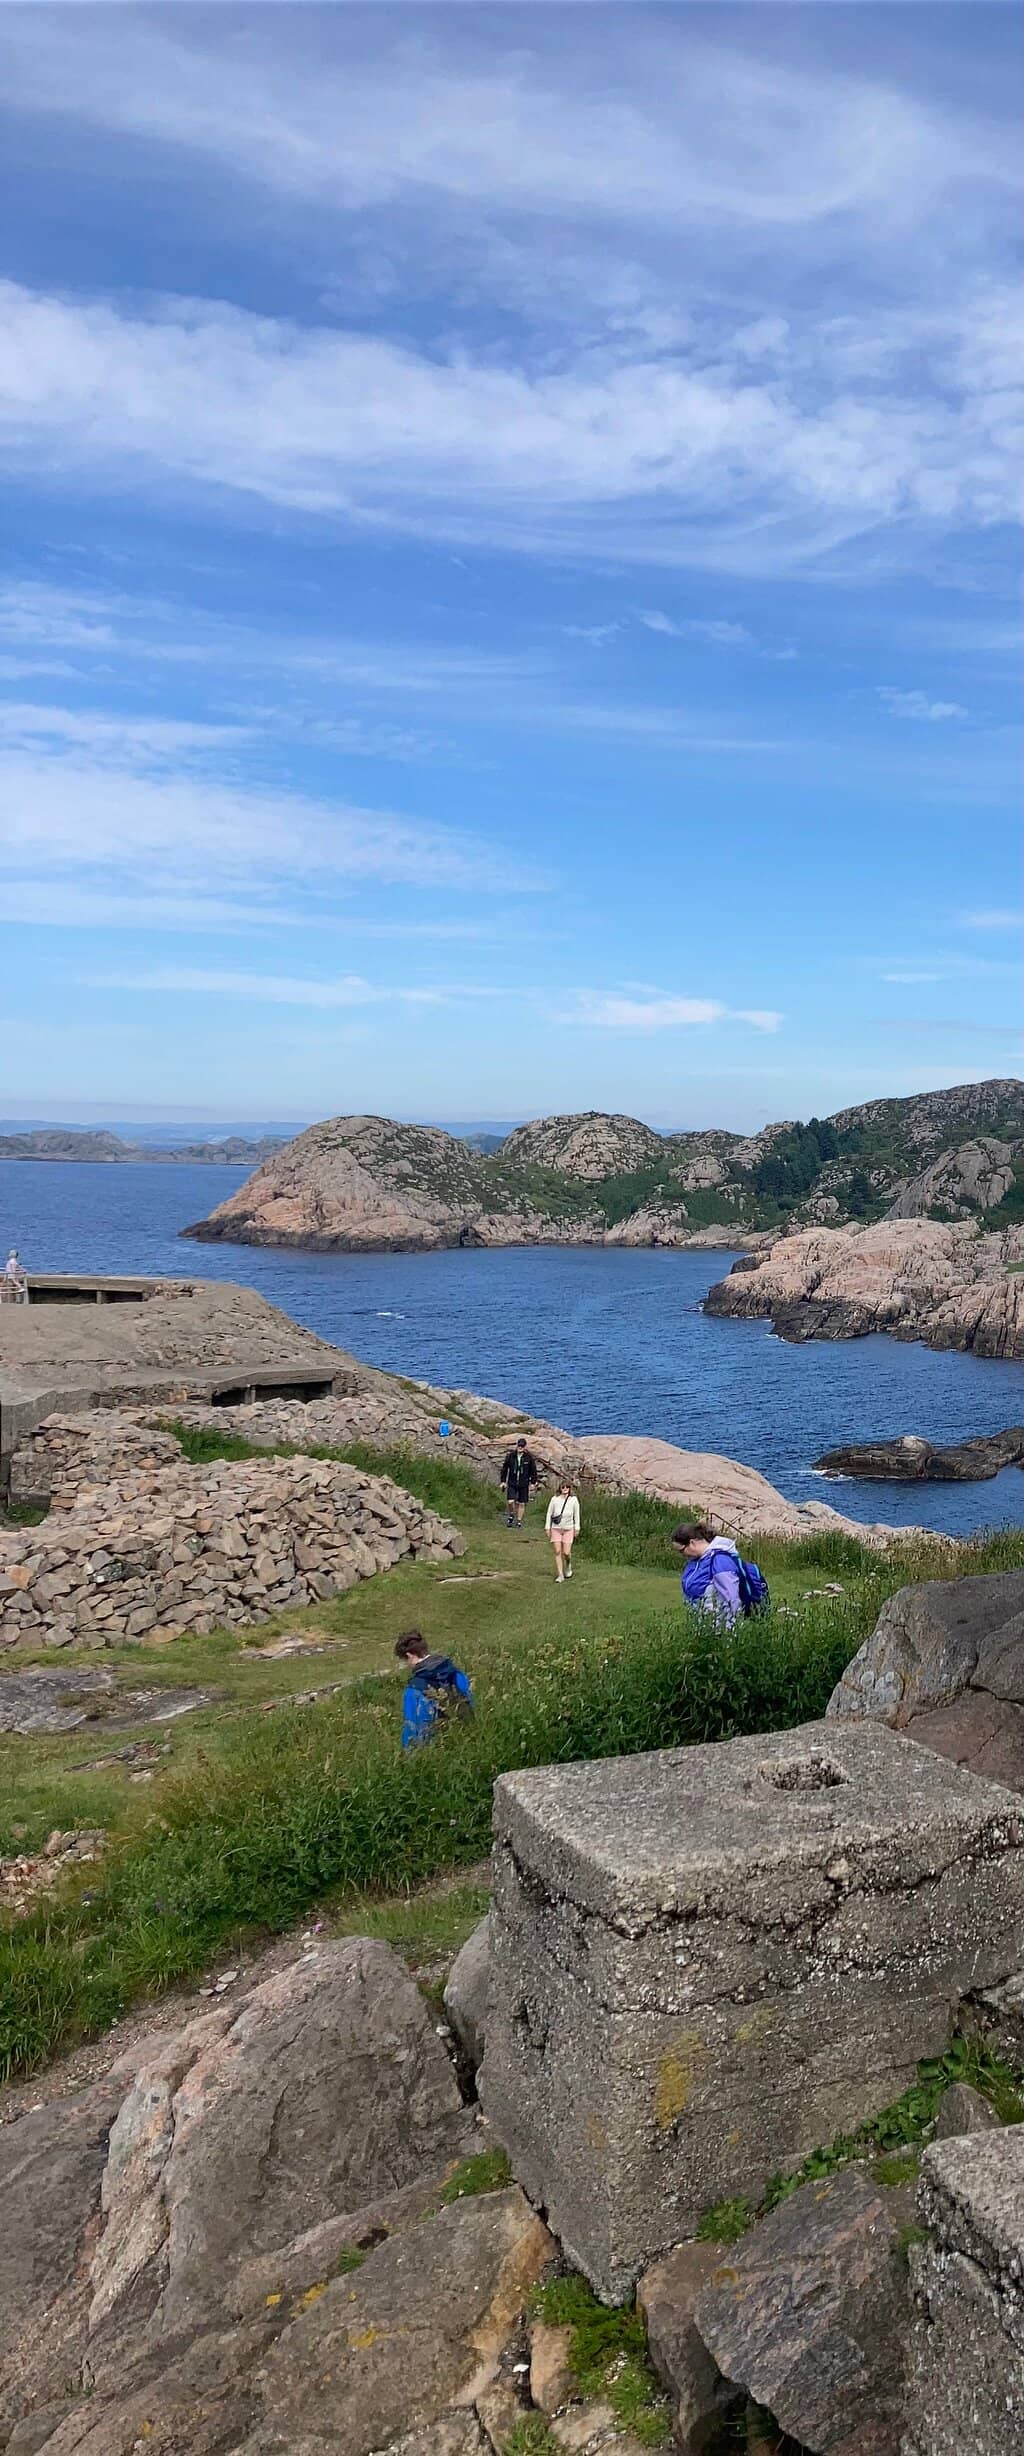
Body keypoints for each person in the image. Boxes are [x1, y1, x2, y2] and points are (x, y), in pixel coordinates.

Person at [396, 1628, 474, 1748]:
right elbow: (469, 1702)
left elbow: (412, 1726)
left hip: (435, 1748)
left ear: (409, 1655)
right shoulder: (455, 1672)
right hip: (464, 1739)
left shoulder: (414, 1688)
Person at [672, 1522, 745, 1628]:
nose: (682, 1555)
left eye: (682, 1551)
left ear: (692, 1543)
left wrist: (735, 1628)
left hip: (721, 1628)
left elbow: (732, 1596)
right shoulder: (697, 1561)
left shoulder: (720, 1560)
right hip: (704, 1626)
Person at [500, 1433, 538, 1528]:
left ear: (525, 1447)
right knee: (510, 1501)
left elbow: (533, 1470)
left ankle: (519, 1521)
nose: (520, 1447)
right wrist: (503, 1481)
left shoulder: (529, 1458)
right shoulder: (511, 1456)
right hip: (512, 1482)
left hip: (523, 1483)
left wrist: (533, 1482)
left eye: (522, 1446)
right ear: (517, 1446)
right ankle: (512, 1514)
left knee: (522, 1503)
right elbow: (505, 1469)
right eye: (519, 1445)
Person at [545, 1480, 581, 1582]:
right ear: (560, 1488)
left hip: (569, 1528)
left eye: (567, 1487)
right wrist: (547, 1527)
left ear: (570, 1489)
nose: (565, 1489)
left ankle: (568, 1565)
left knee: (566, 1552)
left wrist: (577, 1528)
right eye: (563, 1487)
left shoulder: (573, 1500)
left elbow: (576, 1515)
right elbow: (549, 1514)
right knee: (557, 1551)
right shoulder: (554, 1499)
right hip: (556, 1528)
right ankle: (560, 1575)